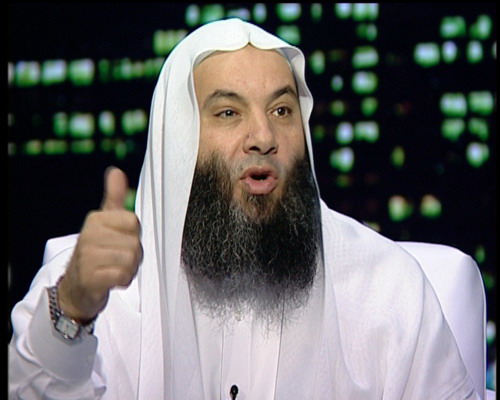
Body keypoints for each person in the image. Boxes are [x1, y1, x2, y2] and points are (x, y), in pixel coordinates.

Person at [9, 18, 479, 400]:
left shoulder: (389, 287)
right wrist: (74, 309)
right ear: (180, 142)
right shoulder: (92, 285)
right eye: (229, 112)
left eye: (281, 111)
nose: (264, 137)